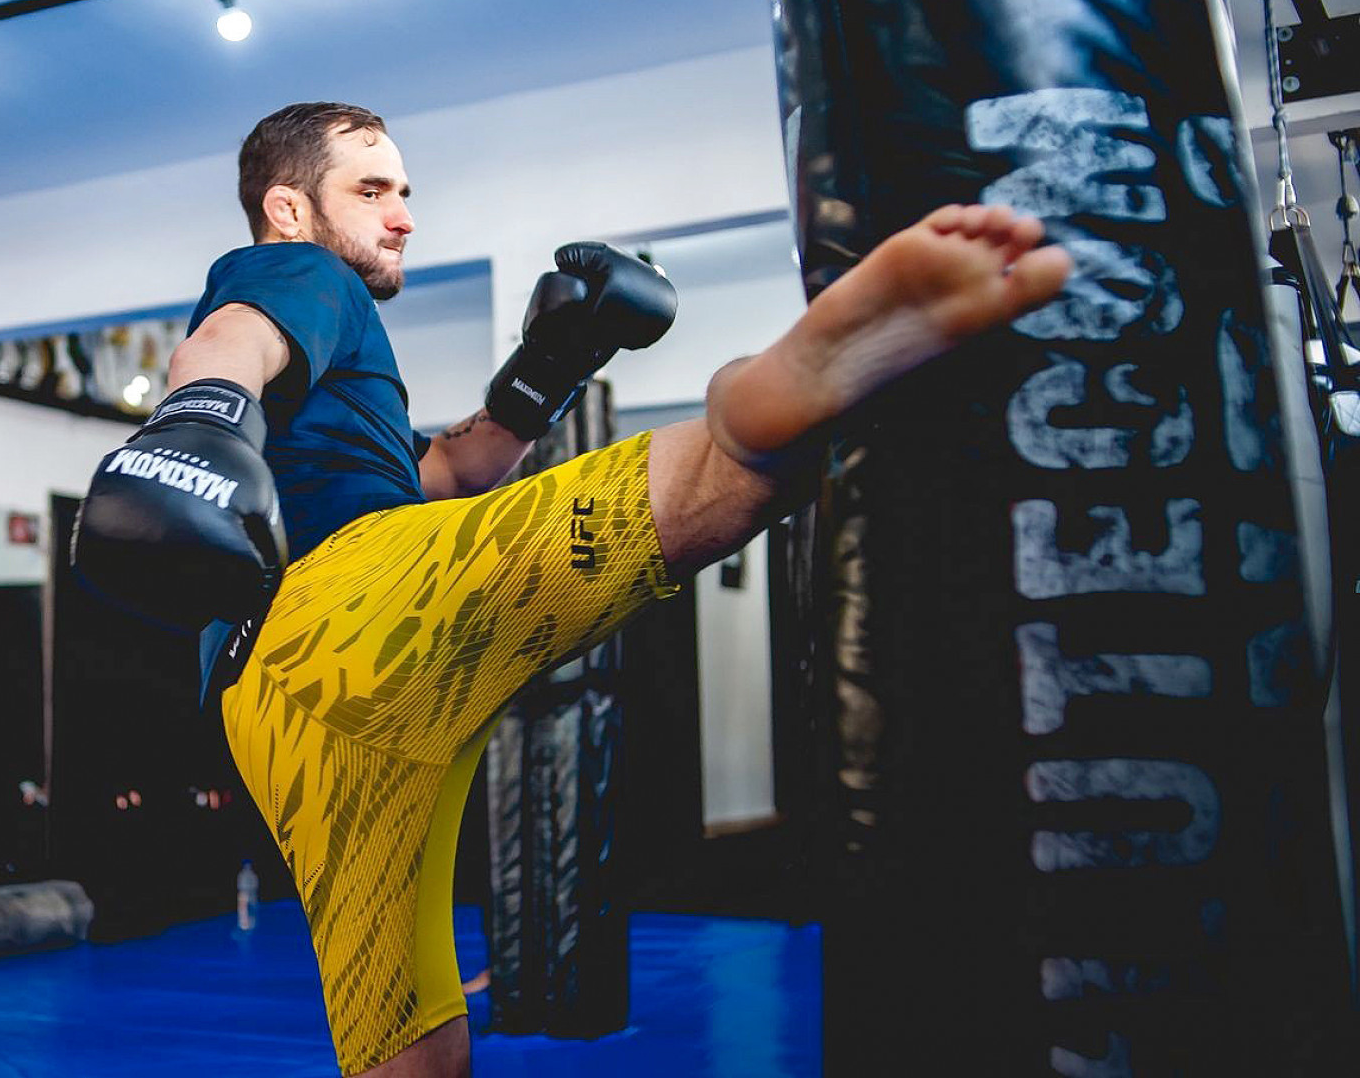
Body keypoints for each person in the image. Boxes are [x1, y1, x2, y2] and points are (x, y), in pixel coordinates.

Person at [73, 102, 1071, 1076]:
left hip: (287, 713)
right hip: (347, 605)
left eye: (406, 190)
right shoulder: (293, 270)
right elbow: (226, 339)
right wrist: (197, 420)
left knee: (402, 1032)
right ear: (289, 207)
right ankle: (755, 423)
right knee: (692, 481)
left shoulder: (343, 388)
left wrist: (550, 362)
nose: (403, 212)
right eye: (371, 187)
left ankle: (757, 428)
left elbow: (452, 475)